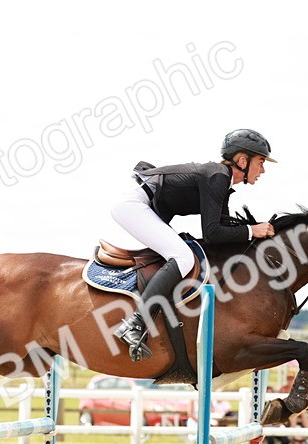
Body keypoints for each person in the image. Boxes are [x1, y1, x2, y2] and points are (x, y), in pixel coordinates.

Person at [110, 128, 278, 361]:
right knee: (183, 257)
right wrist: (252, 230)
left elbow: (225, 232)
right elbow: (212, 233)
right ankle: (135, 323)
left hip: (143, 204)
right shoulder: (217, 176)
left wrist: (255, 231)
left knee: (184, 253)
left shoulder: (223, 182)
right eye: (261, 162)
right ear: (242, 160)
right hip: (134, 204)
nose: (263, 170)